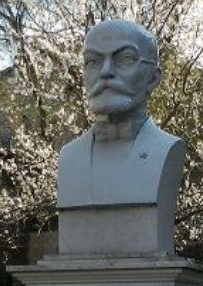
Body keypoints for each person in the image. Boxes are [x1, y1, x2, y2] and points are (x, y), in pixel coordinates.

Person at [57, 19, 185, 212]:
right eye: (92, 61)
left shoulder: (166, 149)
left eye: (125, 59)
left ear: (153, 78)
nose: (105, 72)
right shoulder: (69, 157)